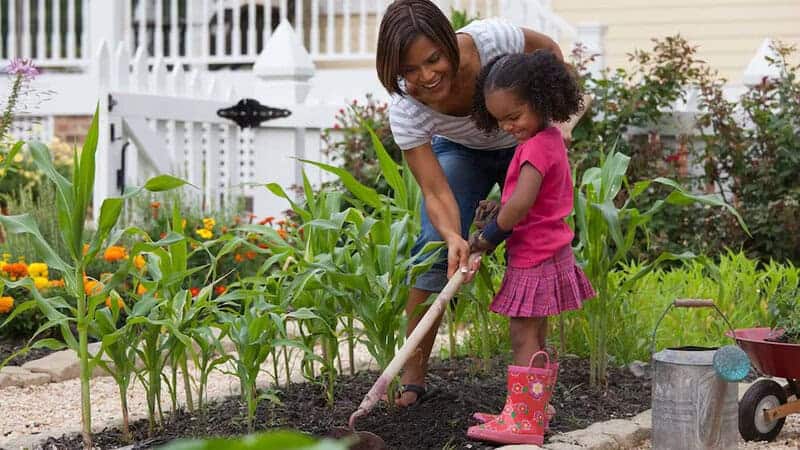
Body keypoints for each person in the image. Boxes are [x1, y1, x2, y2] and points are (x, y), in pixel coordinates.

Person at [376, 0, 584, 409]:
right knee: (434, 247)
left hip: (524, 143)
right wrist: (454, 235)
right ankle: (414, 375)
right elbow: (436, 192)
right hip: (461, 150)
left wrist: (555, 122)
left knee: (536, 248)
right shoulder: (406, 108)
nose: (427, 76)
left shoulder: (493, 39)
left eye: (433, 59)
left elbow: (549, 55)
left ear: (448, 43)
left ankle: (533, 392)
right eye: (410, 70)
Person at [464, 50, 595, 445]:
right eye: (500, 119)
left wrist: (486, 238)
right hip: (550, 252)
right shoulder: (549, 137)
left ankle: (523, 420)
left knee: (522, 336)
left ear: (542, 100)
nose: (508, 125)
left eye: (514, 115)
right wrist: (499, 206)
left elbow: (521, 204)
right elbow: (524, 198)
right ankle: (535, 407)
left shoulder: (536, 147)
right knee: (536, 336)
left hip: (533, 256)